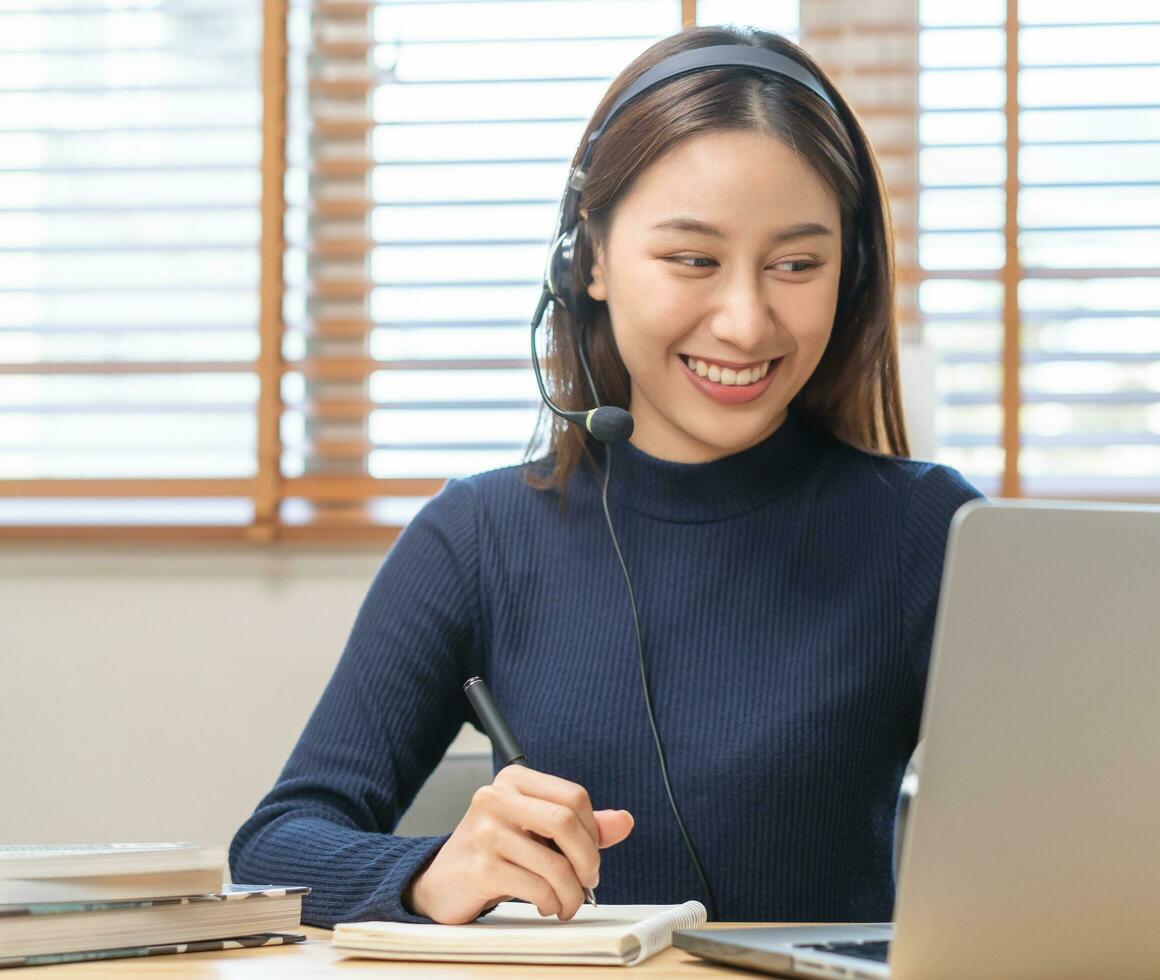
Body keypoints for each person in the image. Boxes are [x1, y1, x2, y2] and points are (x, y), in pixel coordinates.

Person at [229, 24, 983, 929]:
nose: (746, 322)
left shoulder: (930, 533)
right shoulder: (477, 535)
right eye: (692, 259)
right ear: (586, 261)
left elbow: (1078, 828)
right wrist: (436, 871)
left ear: (849, 274)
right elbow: (276, 845)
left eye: (796, 264)